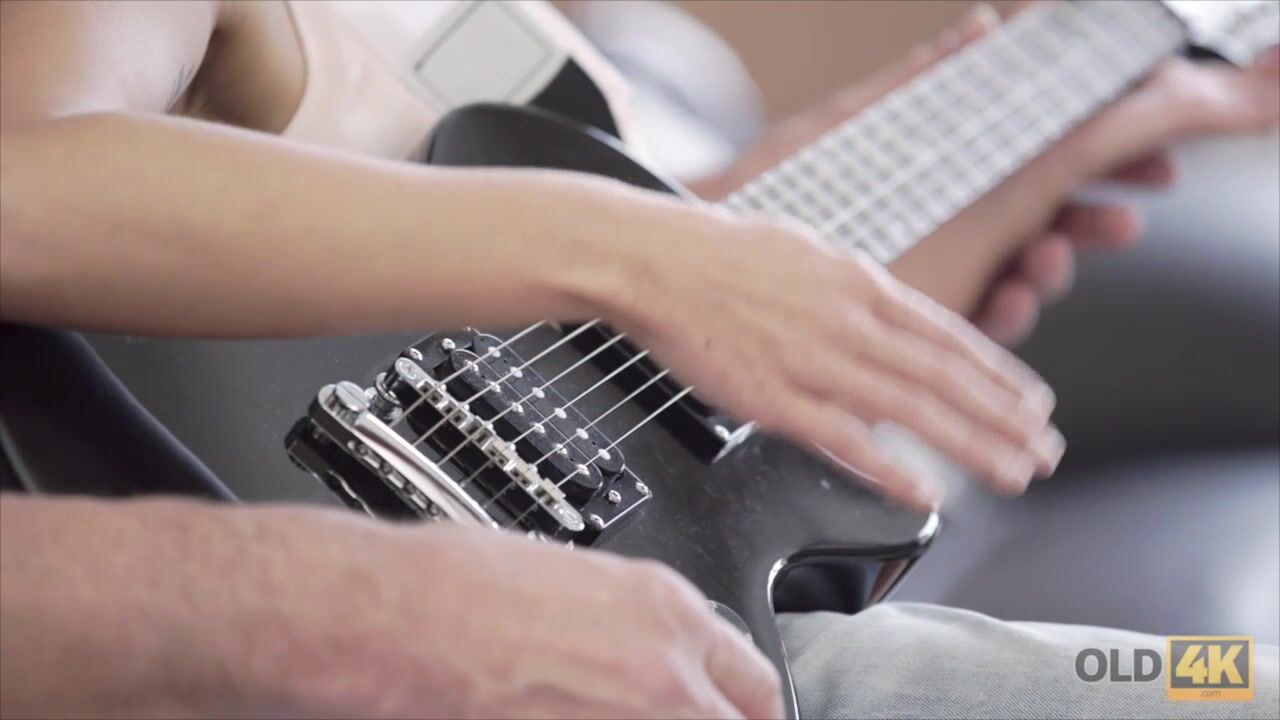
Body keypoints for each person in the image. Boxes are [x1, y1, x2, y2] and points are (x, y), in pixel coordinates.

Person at [0, 1, 1276, 717]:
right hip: (498, 618)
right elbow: (23, 183)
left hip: (626, 567)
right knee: (1223, 694)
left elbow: (586, 316)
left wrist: (815, 268)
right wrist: (635, 249)